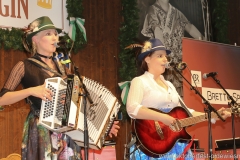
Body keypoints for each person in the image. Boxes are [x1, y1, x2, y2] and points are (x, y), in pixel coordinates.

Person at [0, 16, 119, 160]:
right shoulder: (24, 66)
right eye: (48, 34)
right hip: (41, 131)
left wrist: (104, 128)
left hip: (67, 134)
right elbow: (2, 99)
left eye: (55, 34)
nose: (54, 37)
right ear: (35, 39)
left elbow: (79, 102)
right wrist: (31, 91)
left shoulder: (66, 66)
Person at [126, 38, 231, 159]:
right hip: (151, 144)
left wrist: (214, 115)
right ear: (147, 59)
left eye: (165, 56)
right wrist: (163, 117)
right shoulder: (139, 81)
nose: (165, 59)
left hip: (175, 144)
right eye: (160, 56)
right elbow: (132, 108)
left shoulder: (169, 85)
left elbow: (187, 112)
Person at [141, 0, 204, 96]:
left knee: (181, 95)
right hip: (164, 61)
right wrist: (163, 55)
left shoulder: (176, 12)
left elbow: (190, 27)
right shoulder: (153, 10)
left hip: (178, 62)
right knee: (165, 94)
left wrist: (205, 42)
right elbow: (157, 31)